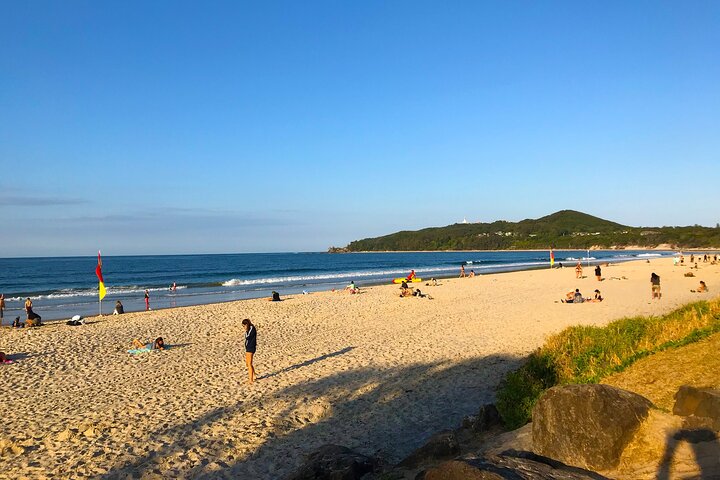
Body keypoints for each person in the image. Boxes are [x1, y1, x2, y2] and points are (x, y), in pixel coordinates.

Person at [242, 319, 256, 383]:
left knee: (249, 364)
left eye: (244, 326)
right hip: (248, 348)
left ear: (246, 324)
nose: (243, 328)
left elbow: (248, 337)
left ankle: (251, 379)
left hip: (251, 348)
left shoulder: (252, 329)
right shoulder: (248, 329)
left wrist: (246, 331)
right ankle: (254, 375)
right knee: (247, 364)